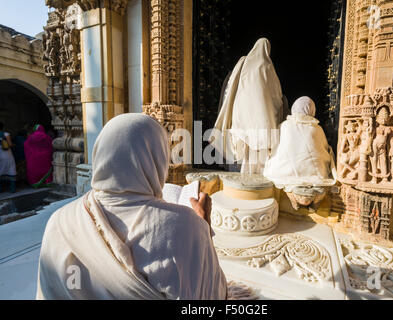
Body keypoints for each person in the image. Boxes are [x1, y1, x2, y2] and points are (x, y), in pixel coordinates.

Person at [36, 113, 227, 300]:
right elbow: (211, 296)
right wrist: (202, 226)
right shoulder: (185, 227)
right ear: (157, 158)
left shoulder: (60, 221)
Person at [212, 38, 284, 174]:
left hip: (241, 121)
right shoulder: (267, 67)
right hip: (262, 123)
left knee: (241, 159)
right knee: (259, 162)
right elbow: (275, 97)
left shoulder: (243, 65)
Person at [264, 96, 336, 191]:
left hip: (282, 172)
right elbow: (323, 150)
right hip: (314, 174)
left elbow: (274, 148)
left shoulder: (284, 126)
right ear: (312, 110)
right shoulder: (317, 129)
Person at [0, 122, 16, 193]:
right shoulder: (6, 134)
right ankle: (12, 189)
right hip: (6, 153)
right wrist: (14, 145)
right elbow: (10, 144)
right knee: (11, 168)